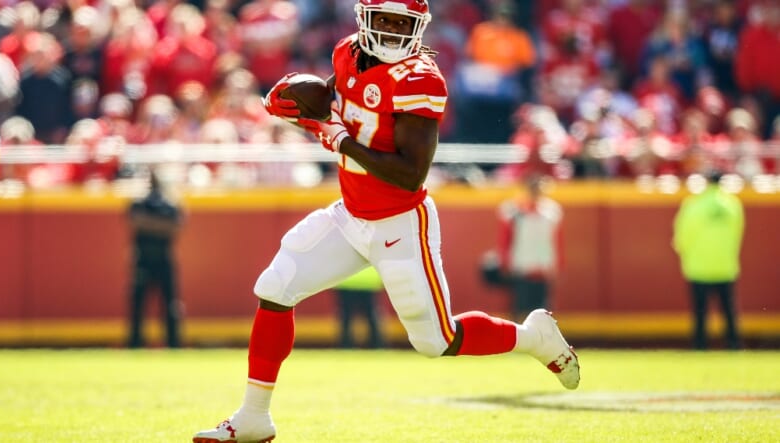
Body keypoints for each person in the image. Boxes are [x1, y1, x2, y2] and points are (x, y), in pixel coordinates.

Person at [193, 2, 580, 442]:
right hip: (351, 214)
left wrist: (341, 141)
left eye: (403, 23)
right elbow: (333, 98)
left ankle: (533, 337)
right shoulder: (347, 51)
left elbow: (410, 172)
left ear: (419, 28)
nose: (393, 31)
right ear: (365, 19)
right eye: (385, 20)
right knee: (275, 287)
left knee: (436, 341)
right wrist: (300, 105)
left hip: (400, 222)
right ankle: (253, 417)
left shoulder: (420, 80)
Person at [672, 171, 744, 350]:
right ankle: (733, 344)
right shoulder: (732, 205)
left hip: (698, 266)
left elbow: (682, 235)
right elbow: (738, 233)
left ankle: (700, 345)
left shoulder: (694, 205)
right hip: (725, 266)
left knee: (700, 311)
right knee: (728, 310)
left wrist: (685, 253)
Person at [127, 170, 183, 349]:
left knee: (170, 304)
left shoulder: (167, 204)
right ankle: (135, 342)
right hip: (144, 259)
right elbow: (135, 221)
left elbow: (176, 225)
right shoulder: (141, 202)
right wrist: (160, 225)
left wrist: (148, 224)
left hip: (161, 259)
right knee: (138, 304)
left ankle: (173, 343)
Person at [496, 176, 563, 320]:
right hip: (521, 266)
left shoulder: (551, 212)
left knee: (543, 308)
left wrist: (556, 265)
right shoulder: (513, 212)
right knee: (519, 306)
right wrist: (505, 261)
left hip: (543, 266)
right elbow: (506, 239)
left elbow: (556, 240)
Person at [335, 266, 385, 349]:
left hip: (346, 280)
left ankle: (345, 346)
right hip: (369, 281)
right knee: (371, 315)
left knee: (346, 316)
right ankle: (377, 346)